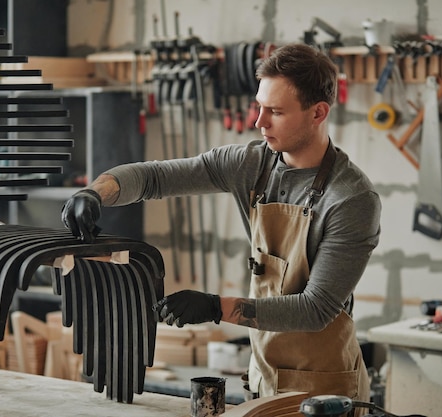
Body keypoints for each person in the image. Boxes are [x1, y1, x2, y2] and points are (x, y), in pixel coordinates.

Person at [61, 43, 381, 410]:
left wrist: (215, 307)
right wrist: (96, 192)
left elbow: (315, 309)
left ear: (318, 113)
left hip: (325, 390)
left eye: (275, 111)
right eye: (259, 106)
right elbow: (155, 177)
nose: (259, 122)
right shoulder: (251, 165)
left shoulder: (352, 199)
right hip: (264, 374)